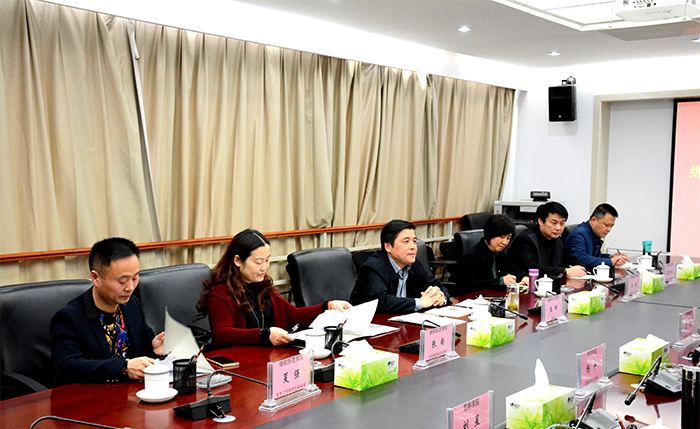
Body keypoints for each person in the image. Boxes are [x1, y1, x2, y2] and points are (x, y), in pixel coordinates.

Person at [197, 229, 352, 349]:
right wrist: (264, 335)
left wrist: (328, 306)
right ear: (238, 260)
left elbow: (293, 315)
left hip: (270, 358)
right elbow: (222, 334)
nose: (264, 267)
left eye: (267, 260)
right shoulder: (221, 294)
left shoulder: (264, 287)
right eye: (258, 262)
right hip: (239, 363)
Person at [51, 238, 165, 384]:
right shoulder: (69, 318)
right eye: (122, 281)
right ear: (95, 278)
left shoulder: (131, 304)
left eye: (135, 278)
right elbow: (67, 366)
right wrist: (123, 368)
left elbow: (143, 345)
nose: (130, 287)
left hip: (133, 392)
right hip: (95, 394)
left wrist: (153, 348)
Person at [350, 219, 450, 313]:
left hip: (404, 320)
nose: (413, 247)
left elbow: (437, 285)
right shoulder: (372, 268)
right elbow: (381, 302)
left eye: (414, 241)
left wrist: (440, 298)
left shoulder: (414, 264)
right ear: (388, 247)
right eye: (406, 241)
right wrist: (420, 303)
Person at [509, 202, 586, 278]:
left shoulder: (557, 239)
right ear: (540, 221)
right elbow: (533, 268)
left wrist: (580, 267)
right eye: (554, 223)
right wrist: (564, 271)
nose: (558, 228)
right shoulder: (525, 240)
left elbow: (570, 258)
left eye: (562, 223)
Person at [458, 214, 528, 294]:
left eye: (508, 238)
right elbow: (470, 285)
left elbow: (513, 269)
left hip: (497, 296)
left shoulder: (500, 254)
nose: (505, 242)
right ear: (490, 233)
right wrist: (500, 281)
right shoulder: (471, 257)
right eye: (502, 237)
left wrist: (524, 277)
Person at [565, 203, 630, 270]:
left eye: (611, 226)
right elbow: (580, 259)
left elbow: (595, 257)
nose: (609, 229)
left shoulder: (593, 233)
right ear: (593, 220)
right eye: (606, 225)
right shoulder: (579, 234)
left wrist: (611, 257)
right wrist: (610, 261)